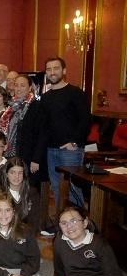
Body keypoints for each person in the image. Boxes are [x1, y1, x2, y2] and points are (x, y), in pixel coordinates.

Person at [37, 57, 90, 209]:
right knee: (57, 188)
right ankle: (63, 224)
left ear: (64, 70)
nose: (52, 72)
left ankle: (79, 225)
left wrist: (75, 143)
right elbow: (44, 126)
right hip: (50, 150)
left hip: (70, 150)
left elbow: (85, 120)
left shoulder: (75, 93)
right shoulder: (45, 98)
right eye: (49, 69)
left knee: (73, 189)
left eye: (56, 68)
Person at [0, 74, 46, 187]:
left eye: (22, 85)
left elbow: (43, 134)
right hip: (11, 154)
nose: (18, 88)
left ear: (30, 88)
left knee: (28, 188)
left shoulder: (36, 106)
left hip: (29, 157)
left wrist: (36, 159)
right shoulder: (11, 106)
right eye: (16, 85)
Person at [2, 157, 42, 238]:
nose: (16, 176)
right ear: (6, 174)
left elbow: (34, 220)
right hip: (5, 235)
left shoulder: (32, 193)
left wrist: (29, 239)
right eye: (12, 172)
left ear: (24, 174)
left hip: (26, 235)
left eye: (20, 173)